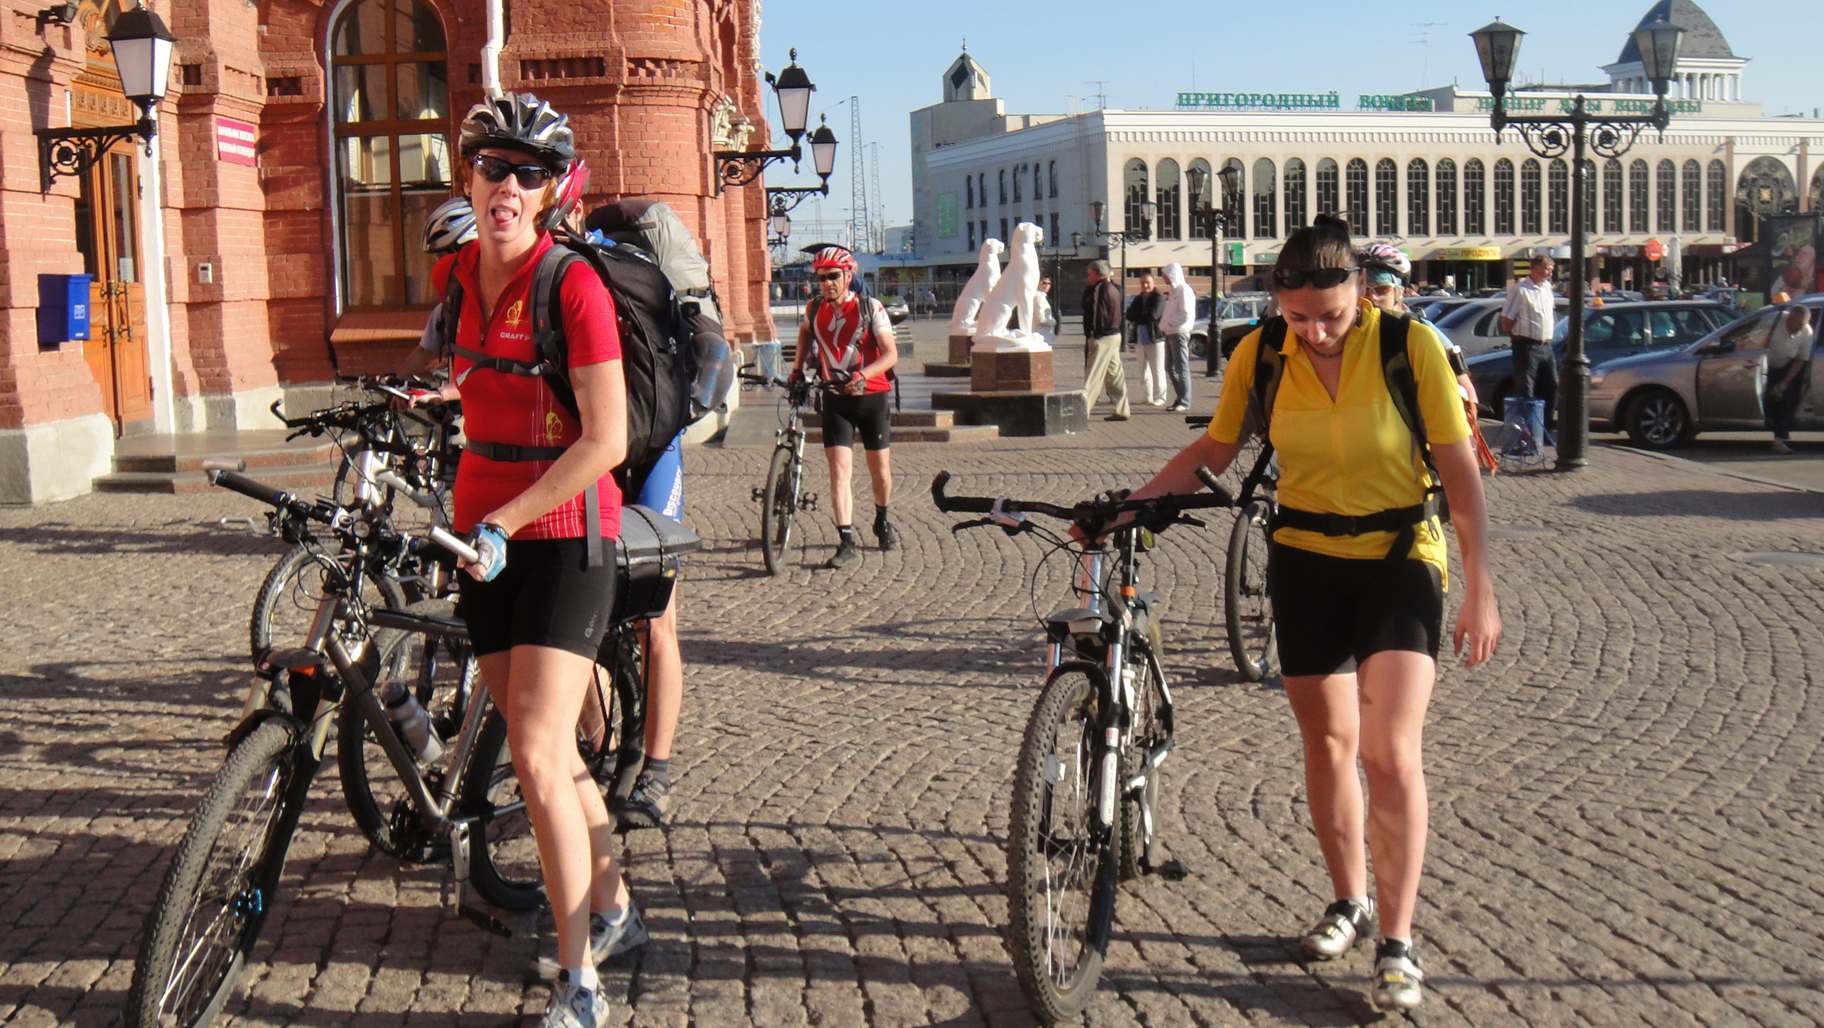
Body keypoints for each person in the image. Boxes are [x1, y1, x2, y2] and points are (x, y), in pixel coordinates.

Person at [1114, 214, 1500, 1012]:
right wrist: (1131, 503)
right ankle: (1349, 900)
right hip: (1304, 560)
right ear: (1278, 304)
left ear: (1360, 292)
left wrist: (1481, 585)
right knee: (1327, 744)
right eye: (1299, 318)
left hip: (1400, 558)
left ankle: (1397, 942)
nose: (1318, 333)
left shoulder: (1409, 348)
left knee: (1390, 752)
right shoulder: (1260, 353)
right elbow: (1214, 450)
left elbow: (1460, 471)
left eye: (1332, 315)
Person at [440, 93, 642, 1027]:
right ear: (469, 176)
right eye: (493, 168)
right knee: (551, 752)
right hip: (482, 539)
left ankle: (579, 980)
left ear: (553, 189)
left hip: (565, 536)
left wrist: (508, 519)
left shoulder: (573, 286)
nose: (507, 187)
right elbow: (465, 386)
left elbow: (606, 439)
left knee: (530, 750)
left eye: (528, 173)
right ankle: (616, 907)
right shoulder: (456, 276)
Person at [790, 245, 899, 569]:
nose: (826, 283)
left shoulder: (870, 307)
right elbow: (805, 335)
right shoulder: (814, 309)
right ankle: (846, 540)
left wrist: (863, 375)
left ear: (848, 275)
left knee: (880, 472)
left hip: (871, 397)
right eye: (821, 278)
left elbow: (890, 354)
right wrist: (797, 369)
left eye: (833, 276)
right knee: (839, 471)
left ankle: (882, 518)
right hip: (835, 399)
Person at [1500, 254, 1556, 436]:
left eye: (1551, 269)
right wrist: (1517, 338)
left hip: (1546, 346)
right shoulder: (1521, 289)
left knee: (1551, 385)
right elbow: (1506, 319)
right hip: (1527, 345)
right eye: (1547, 268)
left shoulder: (1547, 288)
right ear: (1535, 268)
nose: (1550, 272)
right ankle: (1527, 434)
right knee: (1526, 389)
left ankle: (1544, 430)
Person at [1080, 260, 1131, 421]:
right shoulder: (1114, 288)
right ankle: (1122, 409)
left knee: (1093, 376)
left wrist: (1094, 334)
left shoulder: (1099, 289)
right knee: (1115, 375)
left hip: (1103, 337)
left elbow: (1098, 314)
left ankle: (1082, 413)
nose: (1088, 277)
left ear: (1098, 274)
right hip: (1114, 335)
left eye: (1090, 274)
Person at [1766, 304, 1814, 454]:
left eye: (1803, 325)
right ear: (1790, 318)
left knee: (1787, 398)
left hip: (1786, 366)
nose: (1800, 328)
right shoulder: (1773, 321)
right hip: (1763, 366)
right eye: (1798, 324)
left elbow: (1801, 359)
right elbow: (1753, 341)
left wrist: (1785, 383)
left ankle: (1779, 440)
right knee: (1764, 398)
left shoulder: (1806, 332)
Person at [1158, 262, 1197, 410]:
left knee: (1181, 367)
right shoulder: (1174, 291)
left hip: (1179, 332)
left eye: (1166, 276)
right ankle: (1180, 397)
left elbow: (1185, 313)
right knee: (1169, 367)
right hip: (1170, 332)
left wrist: (1170, 323)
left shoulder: (1184, 290)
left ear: (1173, 275)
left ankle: (1185, 401)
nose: (1164, 279)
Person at [1127, 273, 1166, 405]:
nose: (1145, 285)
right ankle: (1146, 395)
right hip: (1139, 337)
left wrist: (1139, 315)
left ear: (1153, 283)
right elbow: (1129, 315)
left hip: (1155, 337)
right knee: (1142, 369)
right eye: (1142, 283)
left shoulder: (1158, 297)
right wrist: (1140, 315)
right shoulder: (1138, 298)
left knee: (1157, 369)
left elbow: (1153, 315)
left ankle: (1160, 396)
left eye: (1147, 282)